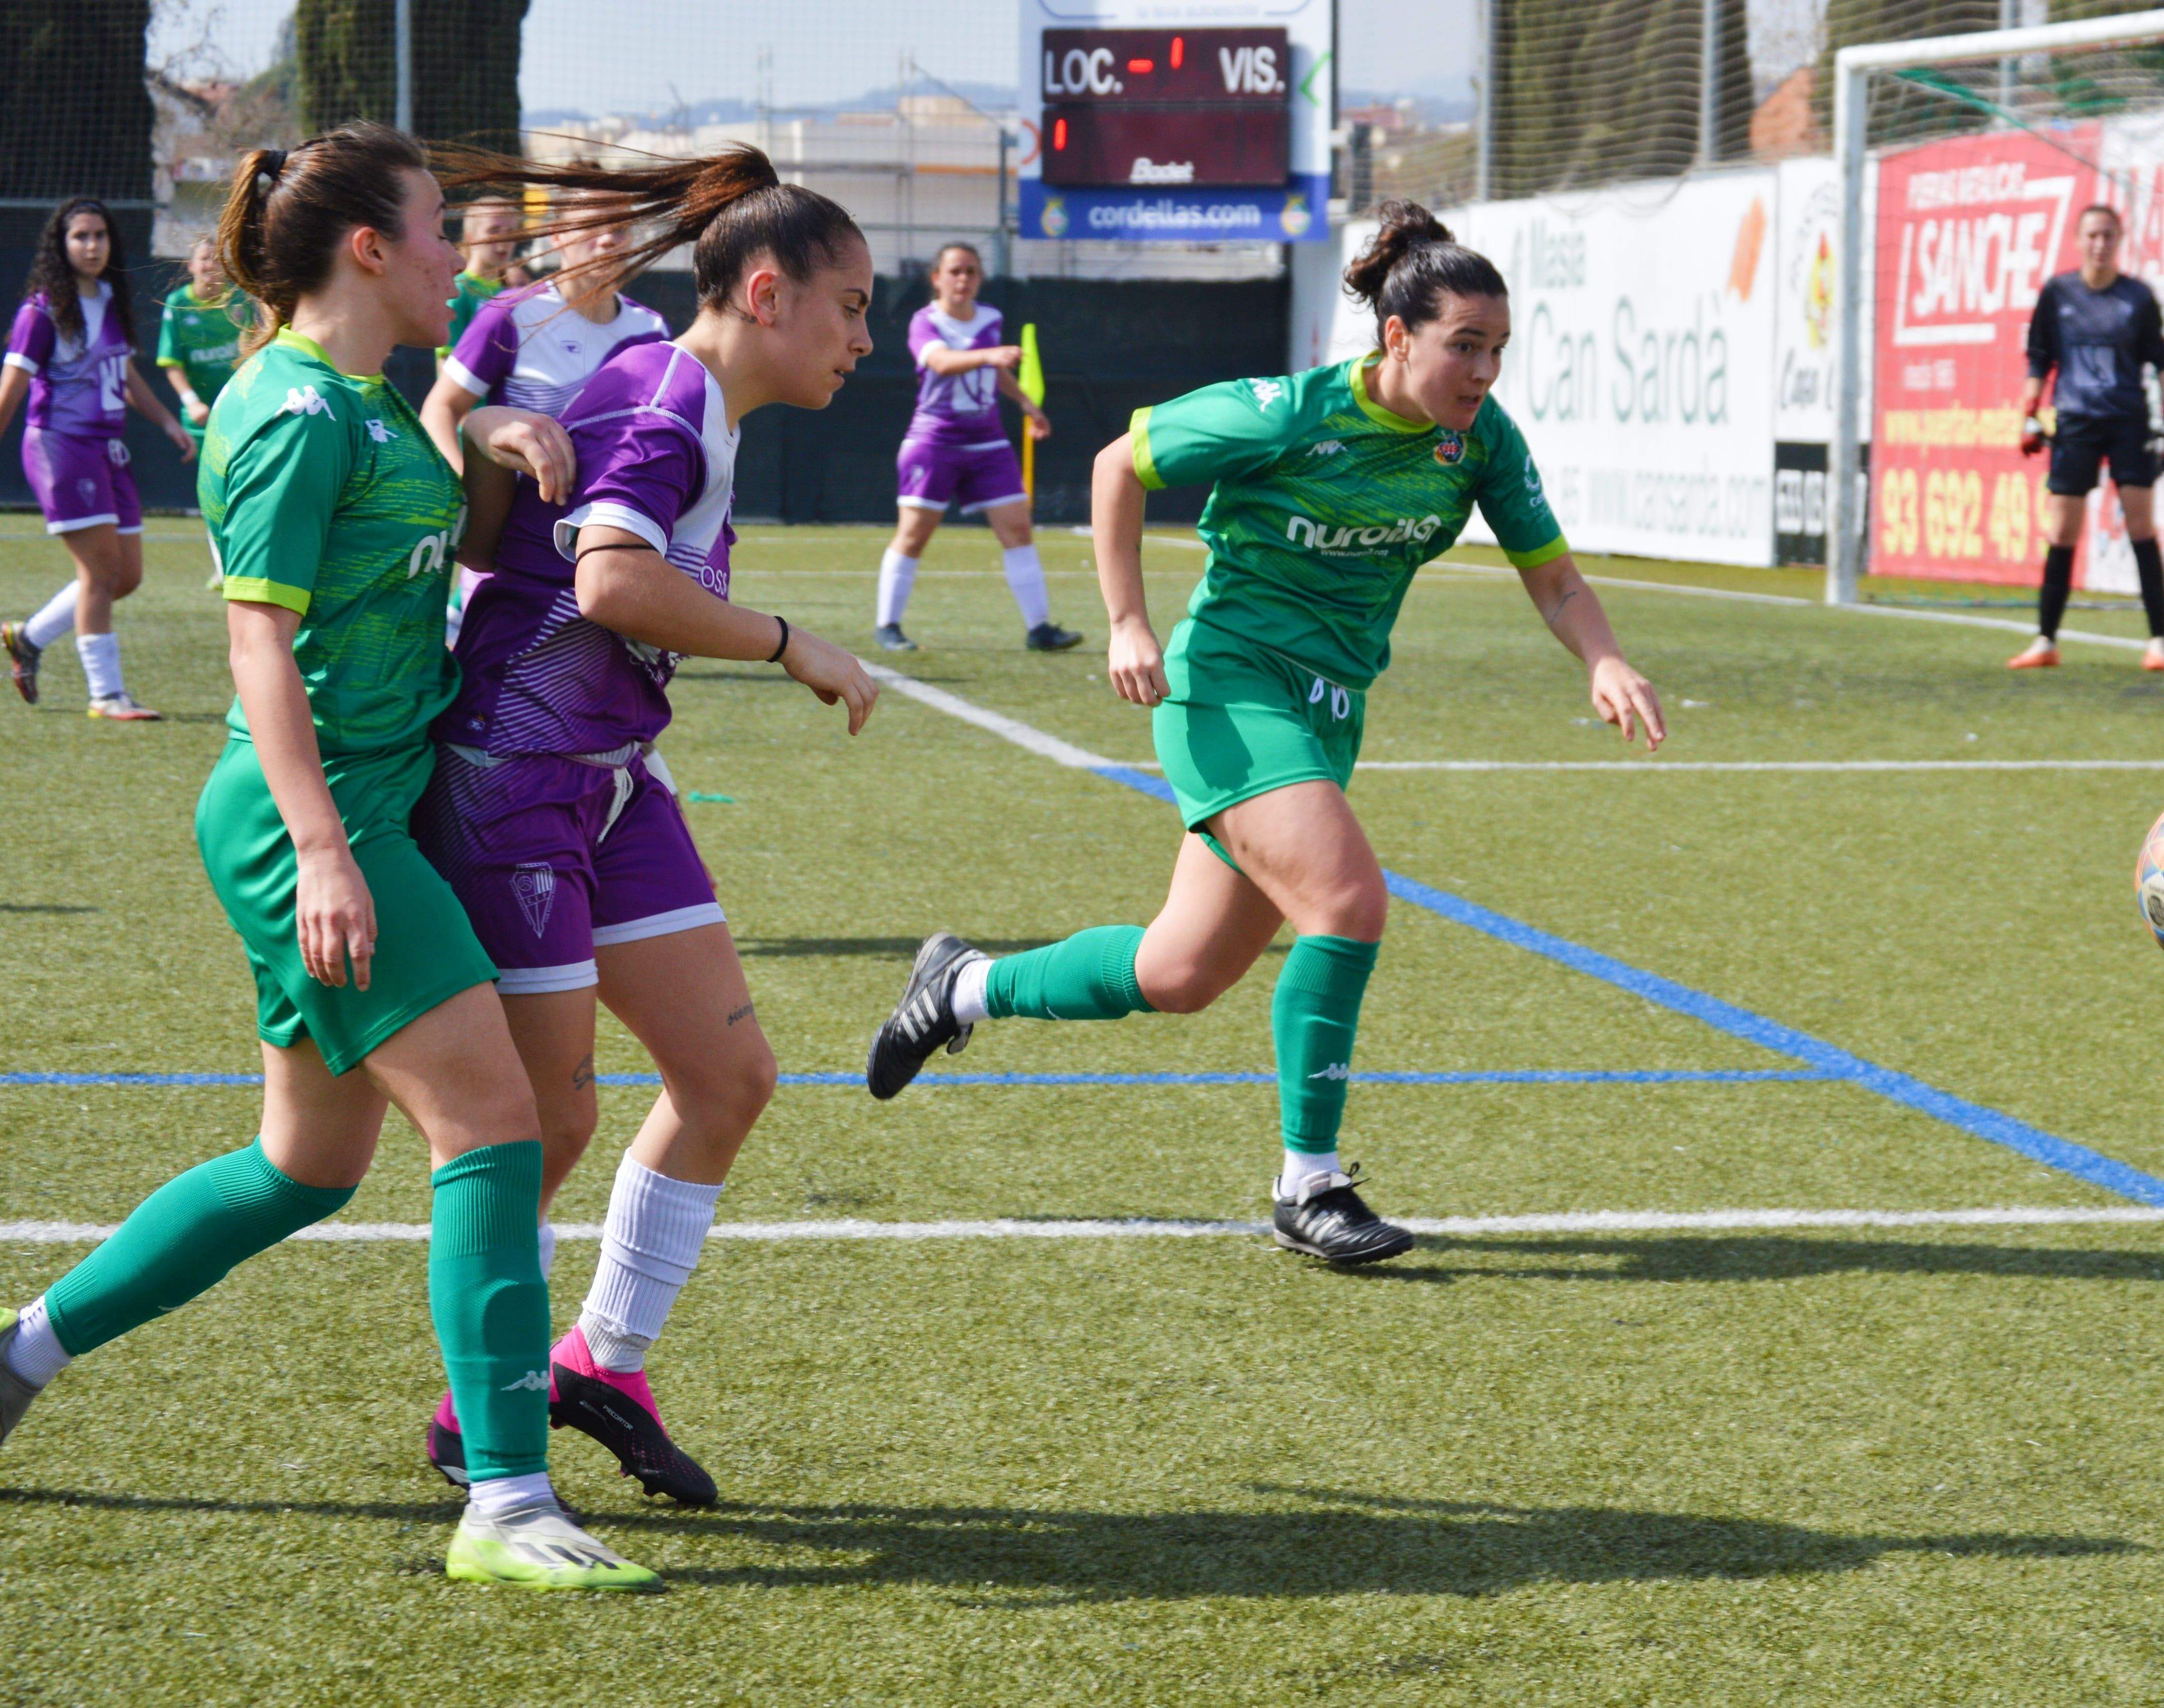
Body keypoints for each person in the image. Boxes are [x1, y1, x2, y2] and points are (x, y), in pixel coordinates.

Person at [0, 124, 659, 1593]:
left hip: (368, 809)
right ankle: (508, 1501)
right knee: (494, 1119)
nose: (472, 253)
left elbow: (406, 554)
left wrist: (491, 446)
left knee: (305, 1165)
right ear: (373, 251)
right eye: (444, 229)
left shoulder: (371, 399)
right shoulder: (291, 410)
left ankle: (14, 1345)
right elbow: (257, 633)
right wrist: (325, 850)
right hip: (310, 821)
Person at [863, 201, 1664, 1264]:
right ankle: (1308, 1182)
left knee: (1178, 971)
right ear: (1396, 338)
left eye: (1496, 351)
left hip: (1325, 716)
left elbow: (1554, 580)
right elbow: (1116, 464)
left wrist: (1602, 656)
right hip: (1226, 691)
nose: (1481, 372)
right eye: (1462, 345)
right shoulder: (1285, 412)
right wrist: (1126, 621)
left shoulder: (1475, 445)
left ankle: (958, 985)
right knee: (1346, 901)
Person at [410, 142, 880, 1500]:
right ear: (770, 290)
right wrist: (790, 640)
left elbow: (531, 553)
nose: (864, 337)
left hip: (609, 771)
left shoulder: (686, 397)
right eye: (850, 305)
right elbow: (612, 583)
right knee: (542, 1126)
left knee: (727, 1077)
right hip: (520, 778)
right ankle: (482, 1417)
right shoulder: (669, 395)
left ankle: (600, 1362)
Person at [0, 197, 197, 719]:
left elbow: (126, 375)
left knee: (126, 575)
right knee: (100, 572)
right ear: (60, 246)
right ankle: (107, 695)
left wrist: (168, 421)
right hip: (61, 448)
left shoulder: (109, 297)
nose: (91, 245)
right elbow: (8, 390)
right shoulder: (40, 312)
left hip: (109, 450)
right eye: (80, 236)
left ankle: (31, 637)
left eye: (99, 236)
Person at [421, 194, 670, 643]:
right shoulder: (511, 314)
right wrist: (465, 490)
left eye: (621, 229)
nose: (609, 241)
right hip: (509, 560)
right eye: (593, 228)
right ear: (557, 235)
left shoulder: (650, 333)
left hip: (604, 558)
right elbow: (441, 408)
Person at [872, 242, 1079, 654]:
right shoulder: (924, 322)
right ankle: (888, 626)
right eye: (954, 271)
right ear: (936, 278)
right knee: (913, 535)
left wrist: (1026, 404)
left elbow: (996, 370)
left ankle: (1040, 630)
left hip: (988, 442)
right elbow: (942, 363)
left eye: (971, 271)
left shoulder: (990, 319)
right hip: (934, 441)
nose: (963, 279)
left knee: (1018, 529)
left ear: (981, 278)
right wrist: (990, 355)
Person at [2011, 203, 2164, 672]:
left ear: (2120, 240)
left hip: (2128, 422)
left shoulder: (2138, 298)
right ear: (2078, 240)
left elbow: (2161, 363)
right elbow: (2039, 359)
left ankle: (2159, 642)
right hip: (2076, 423)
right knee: (2062, 531)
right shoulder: (2057, 293)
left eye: (2108, 235)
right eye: (2092, 236)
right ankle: (2046, 641)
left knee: (2141, 527)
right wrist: (2029, 413)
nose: (2100, 244)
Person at [156, 235, 252, 590]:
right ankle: (226, 568)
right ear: (191, 266)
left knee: (242, 488)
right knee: (215, 492)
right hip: (201, 420)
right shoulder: (178, 304)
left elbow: (256, 347)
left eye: (217, 259)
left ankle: (244, 562)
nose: (211, 266)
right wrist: (191, 401)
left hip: (242, 414)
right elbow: (172, 363)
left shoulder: (240, 301)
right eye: (204, 259)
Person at [441, 195, 522, 359]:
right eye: (494, 231)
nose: (504, 239)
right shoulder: (460, 289)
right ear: (471, 237)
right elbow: (446, 359)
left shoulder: (509, 291)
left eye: (511, 232)